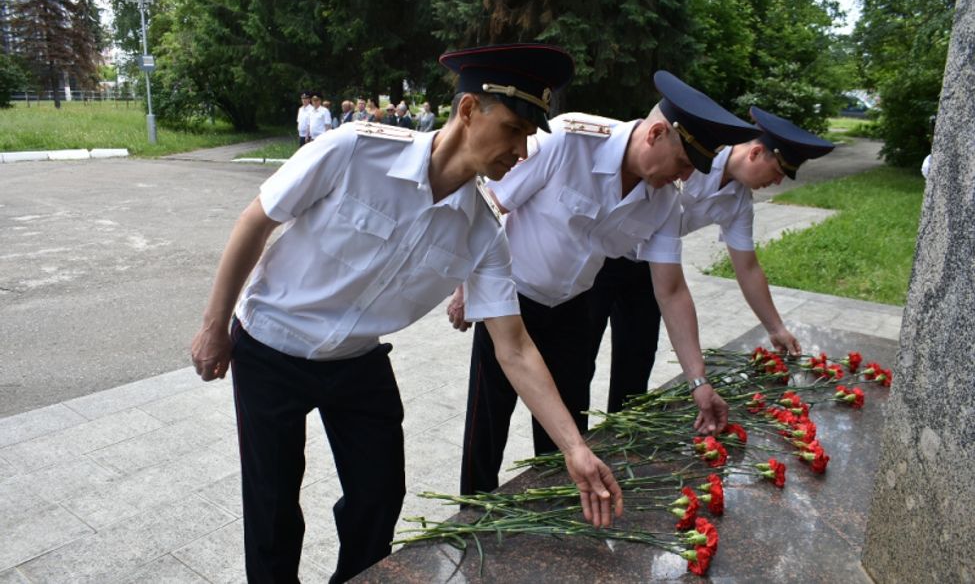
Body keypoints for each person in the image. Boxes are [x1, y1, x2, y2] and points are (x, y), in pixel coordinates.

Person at [190, 43, 622, 584]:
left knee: (379, 495)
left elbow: (513, 347)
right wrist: (214, 326)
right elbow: (255, 221)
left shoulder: (483, 231)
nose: (522, 149)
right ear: (468, 111)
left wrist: (575, 449)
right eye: (513, 128)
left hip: (356, 360)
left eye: (529, 136)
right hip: (272, 344)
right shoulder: (354, 150)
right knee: (273, 501)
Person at [450, 71, 761, 496]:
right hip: (511, 302)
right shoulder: (568, 140)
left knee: (567, 428)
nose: (684, 178)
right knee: (487, 424)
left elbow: (670, 290)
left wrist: (698, 380)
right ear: (655, 133)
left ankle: (552, 507)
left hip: (575, 308)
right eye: (684, 163)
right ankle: (471, 514)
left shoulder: (664, 202)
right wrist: (466, 284)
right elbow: (493, 205)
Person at [588, 106, 835, 413]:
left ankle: (616, 439)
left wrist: (775, 327)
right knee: (580, 360)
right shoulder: (694, 155)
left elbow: (747, 267)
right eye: (777, 172)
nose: (777, 183)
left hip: (653, 269)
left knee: (636, 361)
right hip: (601, 261)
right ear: (756, 153)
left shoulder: (738, 202)